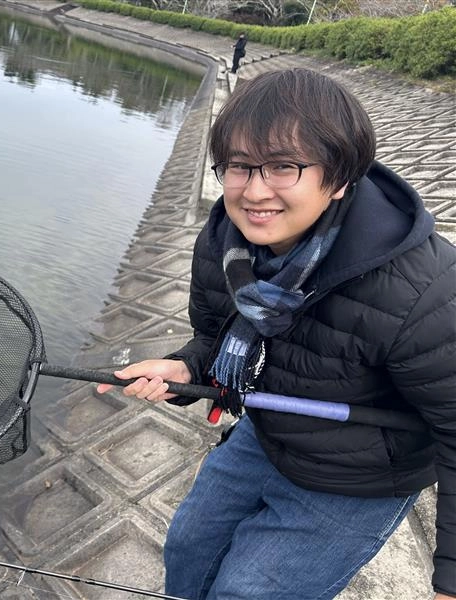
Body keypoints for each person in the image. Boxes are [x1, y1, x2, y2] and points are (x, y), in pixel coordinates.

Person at [97, 68, 456, 600]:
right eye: (239, 166)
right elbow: (215, 338)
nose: (254, 191)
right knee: (187, 551)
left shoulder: (421, 288)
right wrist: (186, 366)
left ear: (339, 178)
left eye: (284, 166)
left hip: (361, 474)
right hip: (269, 433)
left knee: (246, 592)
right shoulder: (223, 242)